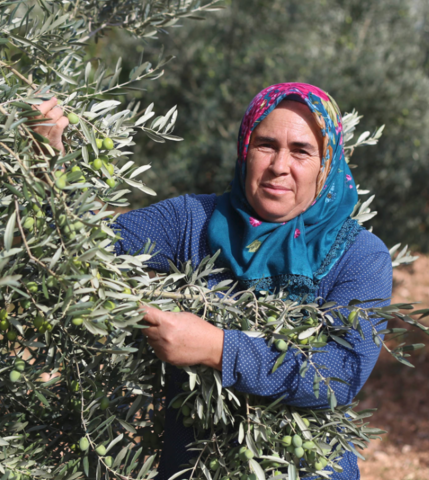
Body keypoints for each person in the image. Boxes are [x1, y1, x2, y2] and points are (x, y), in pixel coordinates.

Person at [31, 83, 393, 480]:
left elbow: (337, 375)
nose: (278, 166)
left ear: (327, 163)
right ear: (244, 150)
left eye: (301, 151)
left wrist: (216, 348)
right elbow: (82, 248)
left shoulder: (360, 256)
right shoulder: (192, 221)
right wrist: (52, 163)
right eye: (266, 145)